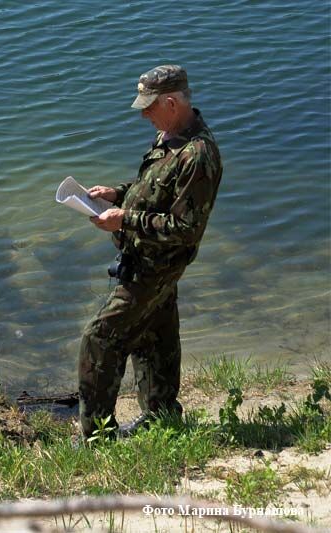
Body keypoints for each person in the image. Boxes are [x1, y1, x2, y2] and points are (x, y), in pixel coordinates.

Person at [78, 65, 222, 439]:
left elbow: (186, 229)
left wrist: (125, 220)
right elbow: (153, 190)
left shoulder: (198, 156)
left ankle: (96, 436)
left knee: (100, 339)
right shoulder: (168, 136)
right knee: (153, 335)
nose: (143, 114)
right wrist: (117, 193)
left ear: (171, 103)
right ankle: (161, 413)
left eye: (149, 106)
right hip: (145, 260)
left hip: (155, 266)